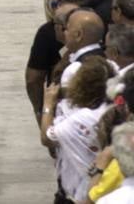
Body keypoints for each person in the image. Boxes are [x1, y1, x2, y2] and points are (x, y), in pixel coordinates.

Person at [41, 56, 114, 203]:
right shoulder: (113, 108)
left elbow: (46, 137)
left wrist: (48, 104)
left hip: (87, 192)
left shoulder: (83, 118)